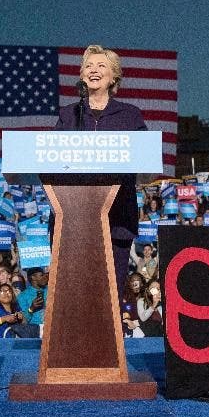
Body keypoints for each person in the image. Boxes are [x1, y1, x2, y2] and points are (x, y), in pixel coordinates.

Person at [54, 45, 147, 299]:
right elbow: (50, 159)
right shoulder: (68, 115)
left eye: (101, 65)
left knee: (109, 295)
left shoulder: (130, 115)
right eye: (88, 66)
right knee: (75, 296)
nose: (94, 70)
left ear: (113, 77)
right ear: (82, 75)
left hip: (116, 218)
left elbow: (143, 156)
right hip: (73, 220)